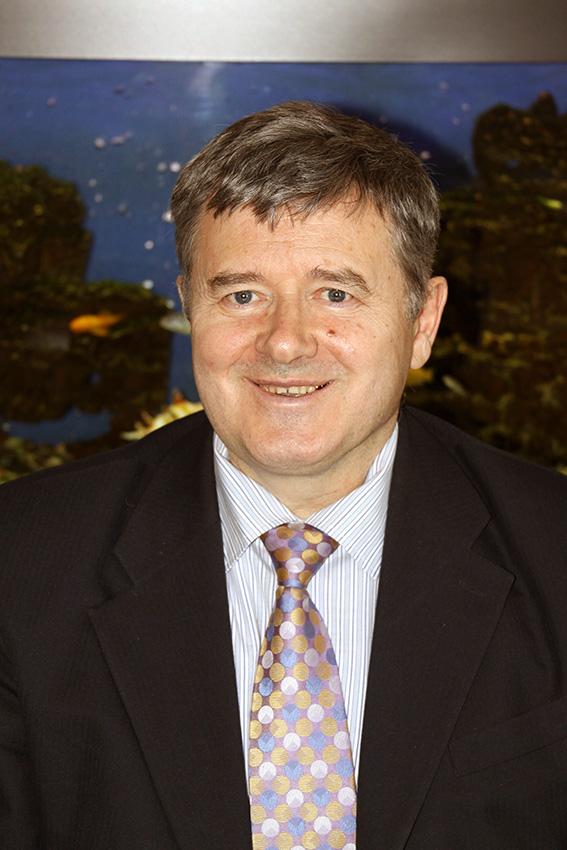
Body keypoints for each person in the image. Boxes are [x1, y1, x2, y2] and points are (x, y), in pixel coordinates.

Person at [1, 101, 566, 850]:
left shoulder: (552, 550)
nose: (285, 343)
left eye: (336, 293)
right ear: (189, 307)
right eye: (242, 295)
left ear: (422, 322)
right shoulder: (21, 563)